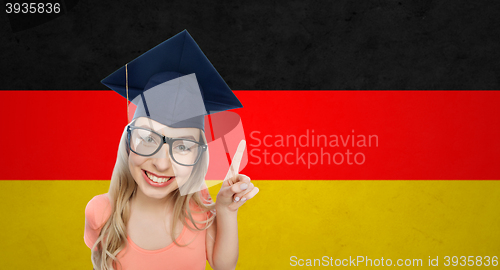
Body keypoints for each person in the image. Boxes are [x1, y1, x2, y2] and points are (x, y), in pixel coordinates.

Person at [84, 30, 259, 270]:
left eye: (184, 146)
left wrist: (226, 210)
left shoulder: (198, 207)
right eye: (147, 139)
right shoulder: (101, 212)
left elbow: (223, 266)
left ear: (198, 157)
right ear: (127, 143)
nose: (162, 164)